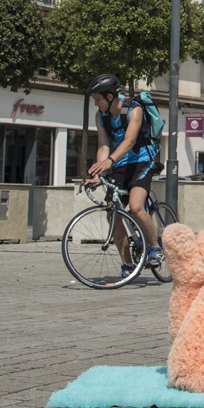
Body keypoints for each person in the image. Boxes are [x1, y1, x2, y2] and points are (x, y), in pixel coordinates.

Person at [84, 73, 164, 278]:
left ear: (110, 97)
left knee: (136, 207)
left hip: (141, 161)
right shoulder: (101, 116)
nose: (96, 104)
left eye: (98, 99)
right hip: (119, 163)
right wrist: (98, 173)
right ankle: (127, 263)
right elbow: (103, 145)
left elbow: (129, 142)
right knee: (112, 214)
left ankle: (155, 248)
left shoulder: (133, 109)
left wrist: (109, 161)